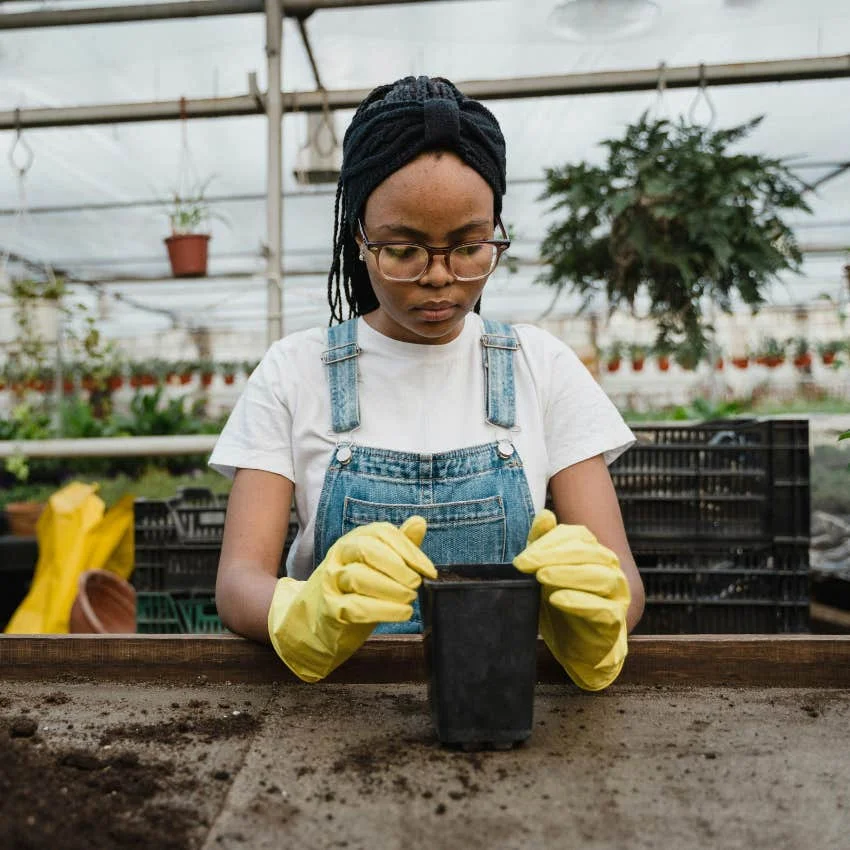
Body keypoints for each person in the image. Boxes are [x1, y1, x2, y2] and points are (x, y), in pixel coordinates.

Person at [210, 75, 644, 690]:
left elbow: (622, 581)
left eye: (470, 246)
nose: (440, 277)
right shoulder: (294, 370)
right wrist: (298, 610)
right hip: (339, 711)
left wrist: (595, 615)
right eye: (404, 249)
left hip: (502, 700)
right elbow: (237, 581)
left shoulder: (540, 366)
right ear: (358, 239)